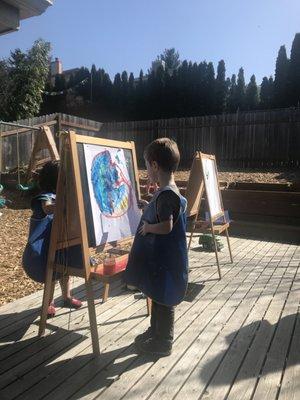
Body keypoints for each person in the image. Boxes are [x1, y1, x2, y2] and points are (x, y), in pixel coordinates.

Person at [125, 138, 188, 356]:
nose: (146, 171)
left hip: (166, 261)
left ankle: (164, 342)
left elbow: (167, 226)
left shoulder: (167, 194)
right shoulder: (167, 191)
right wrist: (147, 205)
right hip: (163, 260)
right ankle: (155, 331)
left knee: (164, 300)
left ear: (154, 166)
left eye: (146, 165)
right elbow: (162, 211)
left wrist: (150, 228)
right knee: (158, 297)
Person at [22, 161, 82, 317]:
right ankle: (49, 302)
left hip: (61, 242)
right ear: (56, 179)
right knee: (51, 273)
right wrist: (68, 204)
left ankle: (67, 296)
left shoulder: (61, 195)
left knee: (65, 270)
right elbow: (47, 207)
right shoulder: (45, 196)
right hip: (45, 245)